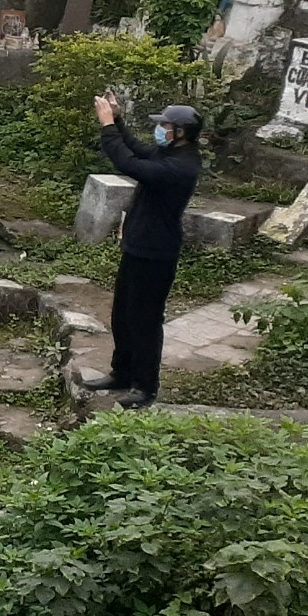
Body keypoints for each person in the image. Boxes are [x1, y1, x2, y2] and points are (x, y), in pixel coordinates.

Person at [78, 95, 203, 408]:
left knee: (144, 321)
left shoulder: (181, 167)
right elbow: (136, 147)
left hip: (157, 253)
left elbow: (127, 162)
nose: (160, 130)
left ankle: (144, 386)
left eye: (165, 126)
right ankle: (121, 372)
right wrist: (118, 121)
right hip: (137, 246)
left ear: (181, 133)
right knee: (122, 315)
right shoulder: (168, 153)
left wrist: (106, 126)